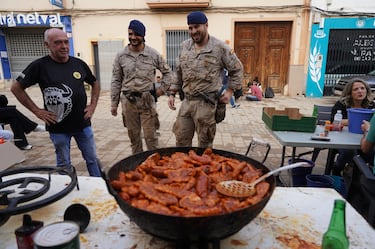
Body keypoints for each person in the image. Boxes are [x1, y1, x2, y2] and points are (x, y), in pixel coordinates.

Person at [11, 28, 102, 177]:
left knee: (92, 159)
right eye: (58, 43)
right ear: (47, 45)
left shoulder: (79, 64)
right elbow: (16, 87)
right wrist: (37, 111)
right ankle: (66, 191)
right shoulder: (39, 66)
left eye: (66, 42)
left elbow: (95, 83)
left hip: (83, 124)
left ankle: (99, 186)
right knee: (63, 164)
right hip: (58, 127)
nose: (64, 46)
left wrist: (92, 106)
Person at [167, 11, 243, 148]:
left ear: (206, 25)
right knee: (181, 143)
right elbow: (178, 71)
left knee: (204, 146)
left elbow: (237, 69)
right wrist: (172, 93)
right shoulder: (185, 46)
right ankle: (184, 169)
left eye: (197, 27)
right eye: (190, 28)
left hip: (206, 105)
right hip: (187, 103)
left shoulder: (220, 47)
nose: (193, 31)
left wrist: (230, 91)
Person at [111, 20, 173, 154]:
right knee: (134, 139)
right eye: (130, 34)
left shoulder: (153, 54)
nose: (133, 37)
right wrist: (114, 103)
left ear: (143, 36)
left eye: (137, 34)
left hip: (147, 102)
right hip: (128, 102)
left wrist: (161, 90)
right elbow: (116, 80)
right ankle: (138, 167)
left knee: (151, 139)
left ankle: (154, 167)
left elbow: (168, 73)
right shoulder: (121, 56)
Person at [330, 78, 375, 176]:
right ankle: (337, 168)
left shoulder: (371, 105)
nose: (360, 91)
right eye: (356, 89)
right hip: (343, 138)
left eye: (362, 88)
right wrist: (359, 121)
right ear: (350, 92)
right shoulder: (341, 104)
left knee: (371, 151)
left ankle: (363, 175)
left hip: (364, 138)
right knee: (348, 151)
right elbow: (336, 121)